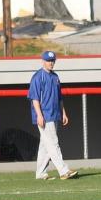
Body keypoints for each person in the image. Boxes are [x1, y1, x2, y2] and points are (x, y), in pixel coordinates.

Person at [28, 51, 78, 181]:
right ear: (43, 61)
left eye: (53, 60)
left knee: (45, 146)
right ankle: (63, 170)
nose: (51, 63)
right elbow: (34, 98)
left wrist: (64, 112)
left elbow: (59, 97)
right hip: (45, 116)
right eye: (49, 60)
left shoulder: (55, 76)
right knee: (53, 143)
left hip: (55, 114)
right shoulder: (38, 77)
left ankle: (40, 173)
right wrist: (39, 115)